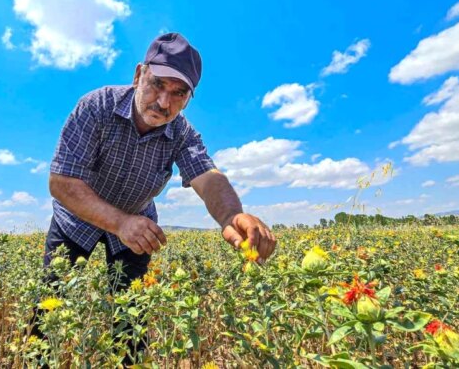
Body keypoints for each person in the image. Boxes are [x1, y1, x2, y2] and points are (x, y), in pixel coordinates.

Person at [29, 32, 277, 365]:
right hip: (76, 221)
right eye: (157, 84)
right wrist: (119, 222)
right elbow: (62, 182)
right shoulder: (96, 106)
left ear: (188, 99)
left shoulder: (182, 133)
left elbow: (208, 178)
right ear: (137, 75)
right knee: (48, 309)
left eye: (178, 94)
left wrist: (234, 217)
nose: (163, 103)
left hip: (136, 227)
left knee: (131, 319)